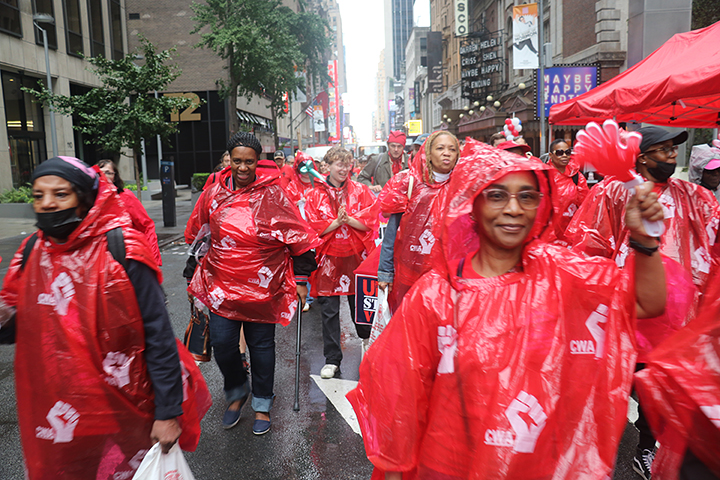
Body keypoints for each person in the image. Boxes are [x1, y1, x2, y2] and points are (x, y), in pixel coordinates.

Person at [347, 139, 666, 480]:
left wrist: (645, 240)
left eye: (526, 196)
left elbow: (646, 302)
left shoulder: (561, 275)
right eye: (497, 195)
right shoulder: (435, 296)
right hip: (448, 464)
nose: (513, 208)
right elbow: (400, 402)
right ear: (473, 204)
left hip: (537, 463)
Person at [0, 156, 184, 479]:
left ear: (84, 199)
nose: (47, 203)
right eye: (38, 195)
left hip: (123, 404)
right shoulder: (31, 251)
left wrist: (168, 412)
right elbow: (19, 327)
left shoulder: (123, 250)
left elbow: (157, 333)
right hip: (60, 408)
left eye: (60, 194)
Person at [565, 125, 720, 479]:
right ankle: (600, 447)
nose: (672, 155)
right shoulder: (611, 192)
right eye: (664, 149)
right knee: (621, 378)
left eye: (673, 149)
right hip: (628, 308)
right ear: (643, 157)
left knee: (664, 380)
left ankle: (647, 446)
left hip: (679, 314)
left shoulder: (694, 195)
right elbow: (589, 244)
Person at [185, 132, 320, 435]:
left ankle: (262, 403)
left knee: (261, 347)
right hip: (222, 287)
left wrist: (301, 279)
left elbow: (297, 237)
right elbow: (200, 234)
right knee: (223, 345)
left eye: (249, 161)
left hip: (263, 287)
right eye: (237, 161)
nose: (243, 167)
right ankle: (237, 391)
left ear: (257, 161)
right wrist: (191, 273)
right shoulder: (212, 194)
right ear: (229, 161)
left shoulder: (273, 195)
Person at [304, 146, 379, 379]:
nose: (344, 169)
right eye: (339, 164)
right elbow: (312, 229)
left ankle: (367, 344)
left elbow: (371, 222)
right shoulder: (315, 195)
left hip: (357, 258)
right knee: (329, 311)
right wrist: (337, 222)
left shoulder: (360, 190)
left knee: (361, 306)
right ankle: (332, 359)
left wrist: (348, 220)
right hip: (328, 260)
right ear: (327, 166)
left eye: (347, 164)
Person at [377, 130, 459, 312]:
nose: (447, 153)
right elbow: (391, 233)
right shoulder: (410, 184)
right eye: (440, 148)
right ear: (428, 153)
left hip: (447, 276)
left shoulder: (462, 187)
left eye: (452, 149)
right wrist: (385, 272)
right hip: (409, 272)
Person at [97, 159, 162, 266]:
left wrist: (153, 260)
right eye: (100, 173)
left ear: (115, 177)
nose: (103, 176)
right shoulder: (91, 201)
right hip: (103, 263)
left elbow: (146, 226)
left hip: (128, 258)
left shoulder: (125, 197)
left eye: (108, 173)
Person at [543, 139, 589, 242]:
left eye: (567, 152)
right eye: (559, 153)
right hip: (548, 237)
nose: (564, 156)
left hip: (570, 236)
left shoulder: (577, 177)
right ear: (551, 155)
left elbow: (585, 207)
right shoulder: (543, 175)